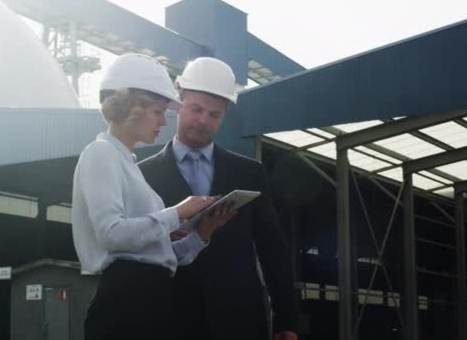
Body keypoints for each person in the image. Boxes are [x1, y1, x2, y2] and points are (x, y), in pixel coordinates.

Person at [71, 53, 235, 340]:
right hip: (127, 304)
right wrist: (178, 212)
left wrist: (201, 235)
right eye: (159, 111)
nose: (164, 121)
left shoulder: (126, 163)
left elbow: (157, 257)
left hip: (147, 300)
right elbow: (112, 235)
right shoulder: (100, 154)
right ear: (133, 107)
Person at [139, 57, 299, 340]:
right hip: (168, 320)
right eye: (196, 109)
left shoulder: (250, 173)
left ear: (225, 114)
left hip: (238, 320)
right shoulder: (143, 175)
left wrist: (287, 319)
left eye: (214, 114)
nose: (203, 120)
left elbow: (272, 247)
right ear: (179, 102)